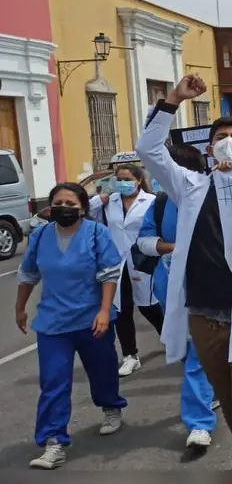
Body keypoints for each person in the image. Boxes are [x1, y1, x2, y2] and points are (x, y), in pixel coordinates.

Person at [136, 74, 232, 470]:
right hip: (204, 318)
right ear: (210, 147)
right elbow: (148, 149)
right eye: (220, 137)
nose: (227, 142)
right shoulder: (191, 188)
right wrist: (173, 100)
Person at [16, 183, 126, 469]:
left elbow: (110, 274)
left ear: (82, 208)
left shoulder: (96, 233)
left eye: (71, 203)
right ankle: (54, 442)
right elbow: (28, 274)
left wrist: (104, 311)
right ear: (50, 207)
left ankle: (111, 406)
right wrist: (20, 308)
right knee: (53, 382)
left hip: (92, 321)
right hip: (53, 324)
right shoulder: (40, 237)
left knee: (102, 373)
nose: (64, 208)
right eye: (58, 202)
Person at [134, 144, 218, 450]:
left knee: (196, 355)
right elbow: (143, 242)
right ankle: (210, 389)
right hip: (168, 288)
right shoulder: (159, 204)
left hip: (207, 288)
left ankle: (198, 424)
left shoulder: (214, 197)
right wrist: (172, 248)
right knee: (186, 353)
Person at [89, 162, 162, 377]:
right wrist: (99, 198)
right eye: (118, 179)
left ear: (139, 180)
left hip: (143, 261)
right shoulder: (108, 202)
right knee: (121, 310)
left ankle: (170, 338)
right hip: (115, 263)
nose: (122, 183)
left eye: (127, 179)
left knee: (150, 307)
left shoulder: (151, 201)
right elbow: (87, 212)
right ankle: (130, 355)